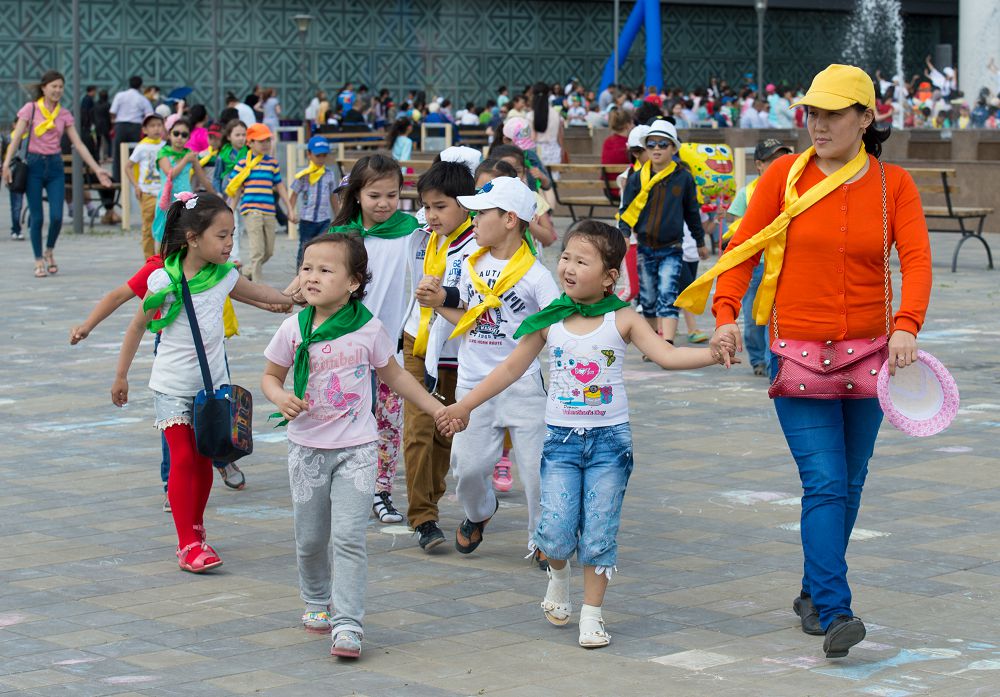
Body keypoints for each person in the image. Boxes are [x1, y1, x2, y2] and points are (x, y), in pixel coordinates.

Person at [678, 64, 932, 659]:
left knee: (851, 481)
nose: (817, 124)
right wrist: (722, 315)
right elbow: (741, 250)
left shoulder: (896, 185)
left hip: (872, 356)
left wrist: (906, 327)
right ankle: (835, 609)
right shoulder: (781, 178)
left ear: (865, 119)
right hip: (796, 356)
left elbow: (917, 262)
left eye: (832, 113)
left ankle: (814, 587)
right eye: (811, 113)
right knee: (824, 481)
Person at [438, 220, 732, 648]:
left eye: (582, 261)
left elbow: (666, 355)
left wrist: (711, 353)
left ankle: (592, 615)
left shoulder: (623, 319)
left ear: (610, 276)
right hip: (559, 441)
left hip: (610, 443)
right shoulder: (549, 320)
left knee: (599, 530)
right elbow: (509, 368)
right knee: (555, 528)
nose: (568, 267)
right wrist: (464, 405)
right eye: (566, 258)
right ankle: (558, 576)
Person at [263, 233, 447, 658]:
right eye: (307, 268)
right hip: (306, 448)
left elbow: (396, 377)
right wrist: (279, 396)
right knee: (310, 538)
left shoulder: (369, 329)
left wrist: (436, 408)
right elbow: (270, 377)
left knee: (348, 536)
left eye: (325, 270)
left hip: (357, 448)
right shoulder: (293, 328)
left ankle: (348, 624)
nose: (311, 277)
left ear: (353, 282)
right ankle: (315, 598)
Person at [113, 193, 296, 571]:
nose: (230, 243)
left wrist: (302, 296)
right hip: (171, 386)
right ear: (193, 238)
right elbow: (136, 326)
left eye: (232, 235)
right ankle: (187, 544)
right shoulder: (164, 278)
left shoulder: (224, 276)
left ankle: (196, 529)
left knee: (202, 460)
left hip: (211, 390)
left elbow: (266, 296)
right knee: (182, 458)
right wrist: (121, 376)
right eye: (222, 236)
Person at [417, 176, 559, 559]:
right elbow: (467, 312)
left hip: (523, 386)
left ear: (510, 219)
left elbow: (554, 326)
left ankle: (542, 539)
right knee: (467, 469)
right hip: (472, 384)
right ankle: (480, 513)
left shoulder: (536, 275)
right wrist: (434, 302)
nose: (473, 220)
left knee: (534, 473)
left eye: (481, 213)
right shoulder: (468, 262)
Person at [328, 154, 423, 524]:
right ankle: (345, 487)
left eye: (392, 194)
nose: (384, 203)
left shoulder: (411, 229)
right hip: (344, 346)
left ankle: (381, 490)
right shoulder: (341, 236)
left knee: (387, 421)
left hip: (388, 348)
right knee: (345, 415)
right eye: (374, 196)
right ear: (357, 195)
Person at [400, 161, 477, 550]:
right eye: (426, 206)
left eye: (440, 206)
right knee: (417, 430)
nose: (431, 215)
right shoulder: (418, 235)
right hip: (418, 343)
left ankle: (433, 496)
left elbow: (476, 300)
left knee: (446, 433)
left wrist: (443, 296)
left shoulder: (479, 244)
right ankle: (423, 517)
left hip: (458, 351)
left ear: (466, 205)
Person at [1, 70, 112, 278]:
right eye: (54, 86)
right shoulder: (30, 109)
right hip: (33, 165)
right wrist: (6, 163)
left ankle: (49, 250)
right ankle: (38, 260)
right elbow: (16, 138)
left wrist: (98, 169)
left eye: (61, 87)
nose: (57, 90)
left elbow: (78, 144)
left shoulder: (64, 114)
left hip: (54, 167)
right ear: (44, 88)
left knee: (57, 216)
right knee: (37, 217)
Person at [617, 119, 707, 344]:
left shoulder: (683, 177)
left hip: (672, 248)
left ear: (674, 148)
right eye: (652, 144)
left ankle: (665, 343)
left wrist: (700, 241)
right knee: (647, 299)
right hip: (645, 247)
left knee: (668, 295)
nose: (656, 149)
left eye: (663, 144)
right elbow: (625, 209)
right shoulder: (636, 177)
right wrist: (625, 234)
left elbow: (692, 212)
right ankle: (652, 342)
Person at [723, 137, 793, 376]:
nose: (780, 163)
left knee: (777, 316)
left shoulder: (794, 190)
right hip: (755, 265)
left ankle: (773, 362)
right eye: (773, 159)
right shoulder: (748, 192)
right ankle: (758, 360)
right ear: (759, 165)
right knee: (753, 318)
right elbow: (734, 229)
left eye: (784, 157)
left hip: (783, 263)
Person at [224, 123, 295, 281]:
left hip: (270, 211)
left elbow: (280, 186)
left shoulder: (272, 163)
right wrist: (230, 212)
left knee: (268, 251)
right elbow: (235, 189)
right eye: (261, 141)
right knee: (257, 251)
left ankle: (248, 271)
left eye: (268, 141)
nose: (266, 145)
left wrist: (289, 209)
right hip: (251, 210)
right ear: (250, 143)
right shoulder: (242, 164)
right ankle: (257, 286)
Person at [152, 115, 215, 246]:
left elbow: (203, 179)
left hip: (186, 201)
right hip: (167, 201)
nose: (180, 137)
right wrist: (185, 160)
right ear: (169, 135)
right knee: (163, 236)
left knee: (185, 237)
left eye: (184, 134)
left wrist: (216, 196)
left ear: (188, 138)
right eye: (176, 133)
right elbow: (171, 174)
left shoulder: (189, 154)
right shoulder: (163, 153)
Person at [290, 136, 338, 267]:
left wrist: (339, 216)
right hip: (307, 220)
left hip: (324, 219)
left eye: (324, 155)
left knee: (323, 248)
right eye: (318, 156)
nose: (321, 159)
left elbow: (333, 196)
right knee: (305, 247)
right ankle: (300, 275)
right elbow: (293, 194)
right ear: (309, 154)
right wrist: (291, 212)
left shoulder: (330, 174)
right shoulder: (303, 175)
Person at [127, 113, 166, 258]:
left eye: (159, 125)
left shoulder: (165, 146)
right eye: (152, 126)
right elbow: (128, 166)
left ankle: (164, 258)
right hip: (148, 192)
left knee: (165, 227)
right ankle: (149, 260)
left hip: (164, 193)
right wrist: (136, 185)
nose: (156, 129)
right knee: (148, 228)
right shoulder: (142, 147)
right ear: (145, 129)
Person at [110, 75, 153, 183]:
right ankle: (134, 179)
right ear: (140, 85)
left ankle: (117, 179)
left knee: (117, 154)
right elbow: (149, 114)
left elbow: (113, 111)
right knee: (135, 154)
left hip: (120, 126)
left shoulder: (120, 95)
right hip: (135, 127)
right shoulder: (142, 99)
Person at [529, 82, 564, 170]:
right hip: (554, 152)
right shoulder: (556, 114)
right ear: (548, 94)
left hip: (537, 153)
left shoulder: (531, 115)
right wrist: (562, 152)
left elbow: (532, 138)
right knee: (553, 181)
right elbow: (560, 137)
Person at [600, 109, 631, 200]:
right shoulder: (630, 144)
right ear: (628, 125)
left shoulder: (607, 142)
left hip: (609, 191)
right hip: (627, 191)